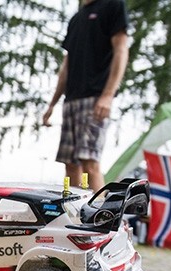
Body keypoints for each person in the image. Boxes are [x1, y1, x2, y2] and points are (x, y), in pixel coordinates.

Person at [42, 0, 129, 191]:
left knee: (89, 162)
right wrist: (52, 104)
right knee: (70, 164)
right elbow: (66, 66)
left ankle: (100, 210)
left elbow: (121, 49)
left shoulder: (112, 5)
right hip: (71, 100)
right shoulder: (76, 19)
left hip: (96, 98)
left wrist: (108, 95)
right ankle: (72, 208)